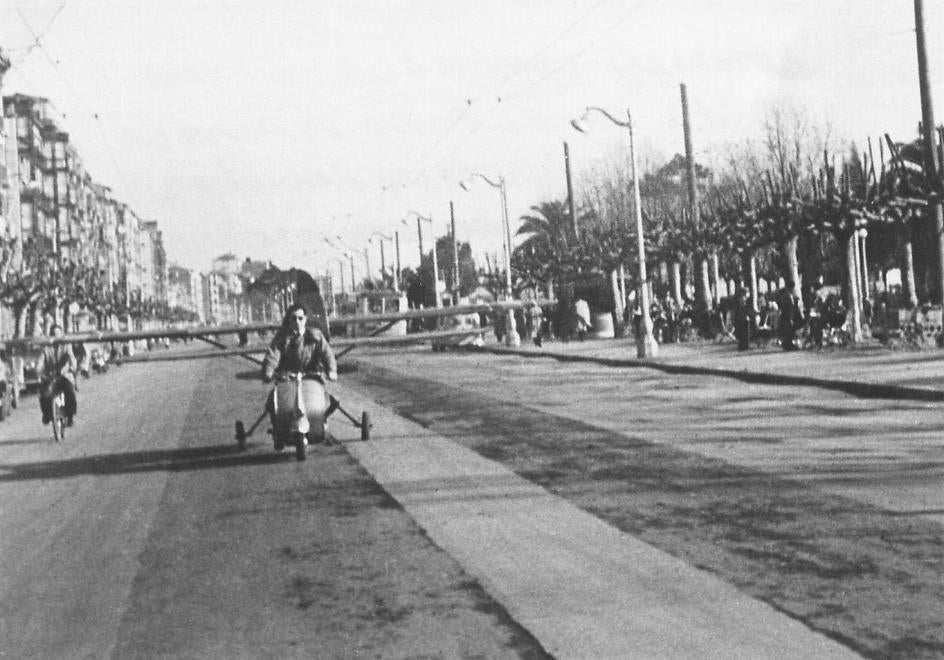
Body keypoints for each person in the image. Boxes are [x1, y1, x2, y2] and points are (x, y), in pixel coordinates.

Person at [261, 304, 338, 446]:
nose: (297, 321)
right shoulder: (282, 338)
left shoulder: (315, 336)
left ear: (305, 319)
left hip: (312, 377)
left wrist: (331, 370)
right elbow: (273, 355)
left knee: (332, 401)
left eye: (300, 318)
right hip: (287, 378)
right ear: (289, 320)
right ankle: (278, 431)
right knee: (272, 402)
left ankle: (321, 421)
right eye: (294, 318)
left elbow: (327, 354)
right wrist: (269, 370)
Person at [38, 324, 78, 427]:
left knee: (69, 390)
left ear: (61, 335)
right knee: (44, 394)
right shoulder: (46, 348)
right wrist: (38, 371)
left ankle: (71, 416)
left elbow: (72, 358)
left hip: (64, 376)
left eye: (57, 334)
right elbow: (40, 362)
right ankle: (46, 414)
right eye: (53, 334)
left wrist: (72, 367)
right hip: (50, 377)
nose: (56, 336)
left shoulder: (66, 346)